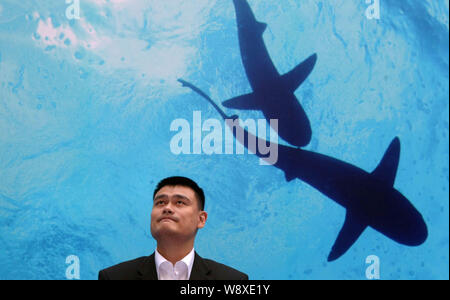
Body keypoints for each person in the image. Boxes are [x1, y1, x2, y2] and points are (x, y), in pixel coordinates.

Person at [98, 176, 248, 280]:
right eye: (161, 202)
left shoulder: (232, 279)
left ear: (201, 219)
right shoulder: (114, 277)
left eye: (180, 203)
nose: (167, 208)